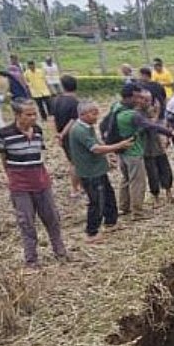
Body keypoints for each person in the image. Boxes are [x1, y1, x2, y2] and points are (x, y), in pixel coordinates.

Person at [0, 98, 68, 268]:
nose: (33, 117)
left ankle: (60, 252)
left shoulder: (37, 131)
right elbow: (3, 158)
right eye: (28, 114)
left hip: (41, 182)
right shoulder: (4, 134)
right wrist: (12, 176)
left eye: (34, 114)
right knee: (26, 222)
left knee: (52, 219)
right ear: (17, 115)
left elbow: (39, 156)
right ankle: (31, 259)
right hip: (20, 186)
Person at [107, 84, 174, 220]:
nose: (139, 100)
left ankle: (124, 207)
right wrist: (173, 133)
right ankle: (137, 212)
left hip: (122, 150)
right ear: (132, 96)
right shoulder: (131, 115)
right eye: (138, 97)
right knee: (137, 182)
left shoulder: (116, 107)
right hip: (133, 151)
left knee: (126, 179)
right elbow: (152, 126)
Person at [68, 100, 133, 243]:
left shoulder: (87, 127)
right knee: (96, 202)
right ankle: (91, 233)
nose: (97, 116)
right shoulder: (79, 130)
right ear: (83, 114)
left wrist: (108, 156)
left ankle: (111, 222)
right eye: (93, 113)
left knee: (108, 196)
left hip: (98, 169)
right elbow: (95, 148)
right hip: (90, 172)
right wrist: (118, 145)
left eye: (97, 112)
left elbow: (98, 144)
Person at [136, 88, 174, 206]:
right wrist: (155, 118)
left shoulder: (151, 110)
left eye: (149, 100)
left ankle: (168, 192)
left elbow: (159, 126)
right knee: (152, 174)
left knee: (165, 170)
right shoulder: (137, 114)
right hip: (146, 149)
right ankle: (156, 197)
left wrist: (165, 138)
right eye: (145, 100)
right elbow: (148, 126)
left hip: (158, 146)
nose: (147, 102)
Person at [50, 74, 83, 197]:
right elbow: (73, 120)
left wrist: (56, 135)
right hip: (72, 135)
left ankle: (80, 186)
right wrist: (63, 134)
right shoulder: (75, 102)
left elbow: (52, 118)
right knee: (75, 163)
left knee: (72, 161)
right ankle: (75, 189)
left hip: (62, 136)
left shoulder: (55, 100)